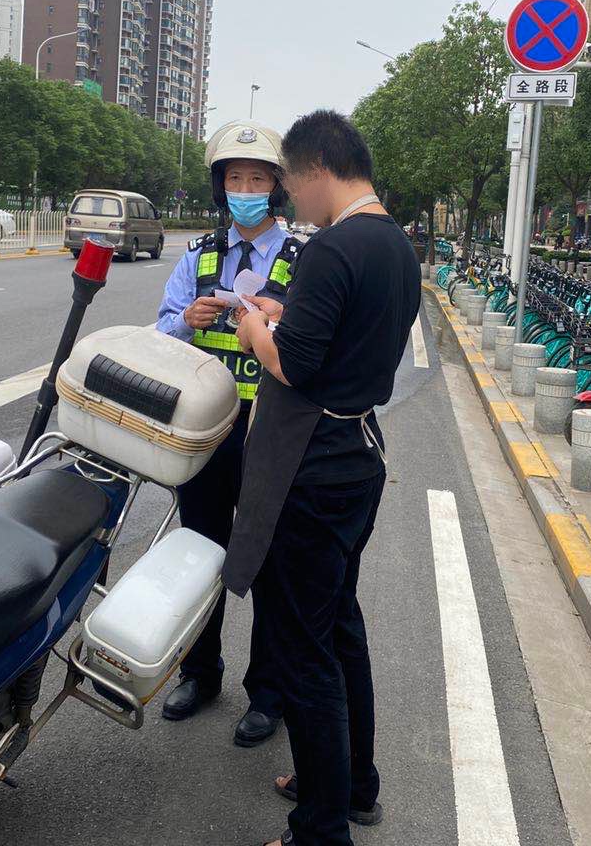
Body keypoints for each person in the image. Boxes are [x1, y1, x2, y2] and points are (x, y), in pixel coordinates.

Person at [228, 110, 420, 846]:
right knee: (338, 627)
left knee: (303, 649)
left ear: (316, 170)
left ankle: (320, 829)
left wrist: (257, 330)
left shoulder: (332, 248)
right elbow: (345, 338)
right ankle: (350, 784)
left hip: (310, 469)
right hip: (357, 455)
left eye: (288, 183)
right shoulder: (395, 245)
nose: (287, 200)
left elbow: (295, 364)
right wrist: (289, 312)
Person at [154, 119, 303, 747]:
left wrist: (277, 319)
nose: (245, 189)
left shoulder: (303, 258)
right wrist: (186, 320)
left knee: (270, 557)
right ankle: (200, 672)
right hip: (208, 428)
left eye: (257, 179)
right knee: (200, 550)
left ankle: (268, 691)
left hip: (271, 432)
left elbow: (313, 344)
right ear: (221, 187)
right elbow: (162, 332)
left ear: (276, 187)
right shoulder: (199, 254)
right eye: (235, 178)